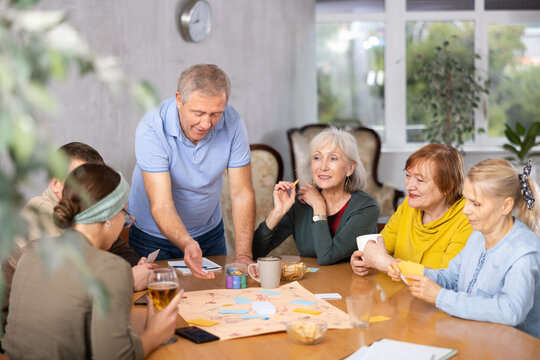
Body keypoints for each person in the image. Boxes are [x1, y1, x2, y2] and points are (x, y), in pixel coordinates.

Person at [2, 163, 182, 358]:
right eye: (125, 215)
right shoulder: (112, 268)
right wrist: (155, 334)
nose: (125, 223)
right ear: (109, 217)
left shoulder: (30, 253)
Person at [1, 142, 154, 331]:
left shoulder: (87, 215)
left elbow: (119, 248)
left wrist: (133, 268)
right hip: (17, 330)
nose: (91, 188)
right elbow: (65, 287)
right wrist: (128, 279)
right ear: (56, 183)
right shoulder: (41, 215)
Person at [388, 159, 540, 338]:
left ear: (505, 206)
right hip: (475, 335)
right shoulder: (478, 235)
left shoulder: (523, 253)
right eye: (466, 200)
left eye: (475, 204)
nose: (465, 210)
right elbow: (452, 276)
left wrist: (440, 297)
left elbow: (511, 311)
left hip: (514, 346)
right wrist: (410, 271)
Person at [128, 64, 255, 278]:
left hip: (209, 233)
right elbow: (161, 204)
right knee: (159, 306)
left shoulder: (233, 121)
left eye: (216, 114)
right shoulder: (152, 127)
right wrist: (187, 243)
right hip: (152, 237)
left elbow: (242, 193)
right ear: (179, 99)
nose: (206, 123)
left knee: (216, 303)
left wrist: (243, 254)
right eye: (198, 113)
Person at [252, 127, 380, 265]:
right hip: (311, 282)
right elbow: (254, 252)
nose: (323, 166)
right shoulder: (301, 203)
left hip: (350, 283)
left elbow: (327, 257)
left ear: (350, 168)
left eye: (333, 158)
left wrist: (319, 206)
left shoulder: (366, 207)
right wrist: (277, 212)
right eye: (317, 157)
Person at [351, 144, 472, 276]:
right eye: (408, 176)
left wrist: (387, 264)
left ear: (448, 186)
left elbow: (446, 278)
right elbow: (378, 248)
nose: (409, 186)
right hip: (395, 292)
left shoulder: (468, 218)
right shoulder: (408, 206)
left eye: (420, 180)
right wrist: (362, 259)